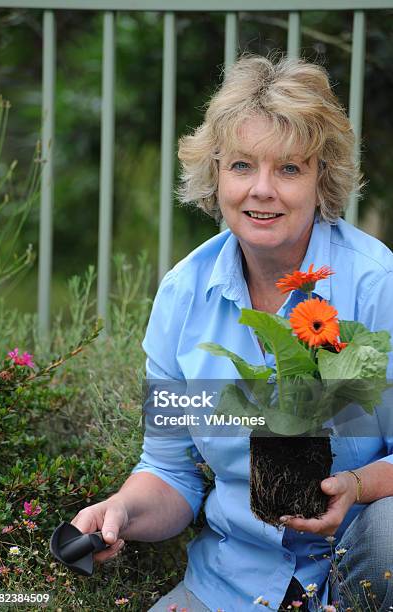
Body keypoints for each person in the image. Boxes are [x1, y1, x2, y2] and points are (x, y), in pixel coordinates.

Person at [72, 55, 393, 611]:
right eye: (242, 166)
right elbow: (171, 473)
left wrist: (359, 487)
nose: (262, 190)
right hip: (234, 583)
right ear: (216, 174)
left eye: (290, 169)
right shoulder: (183, 294)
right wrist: (122, 510)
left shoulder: (374, 285)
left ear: (323, 178)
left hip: (357, 571)